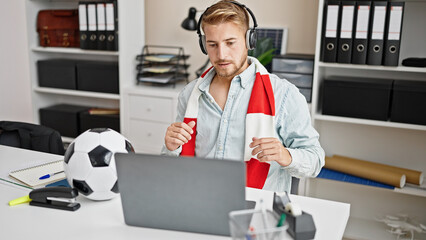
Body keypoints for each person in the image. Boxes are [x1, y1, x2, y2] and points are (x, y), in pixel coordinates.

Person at [162, 0, 324, 193]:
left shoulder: (284, 94)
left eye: (230, 43)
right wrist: (171, 147)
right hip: (199, 198)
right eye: (212, 44)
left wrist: (285, 155)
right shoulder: (190, 94)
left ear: (249, 41)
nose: (221, 54)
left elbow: (315, 160)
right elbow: (171, 162)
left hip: (257, 208)